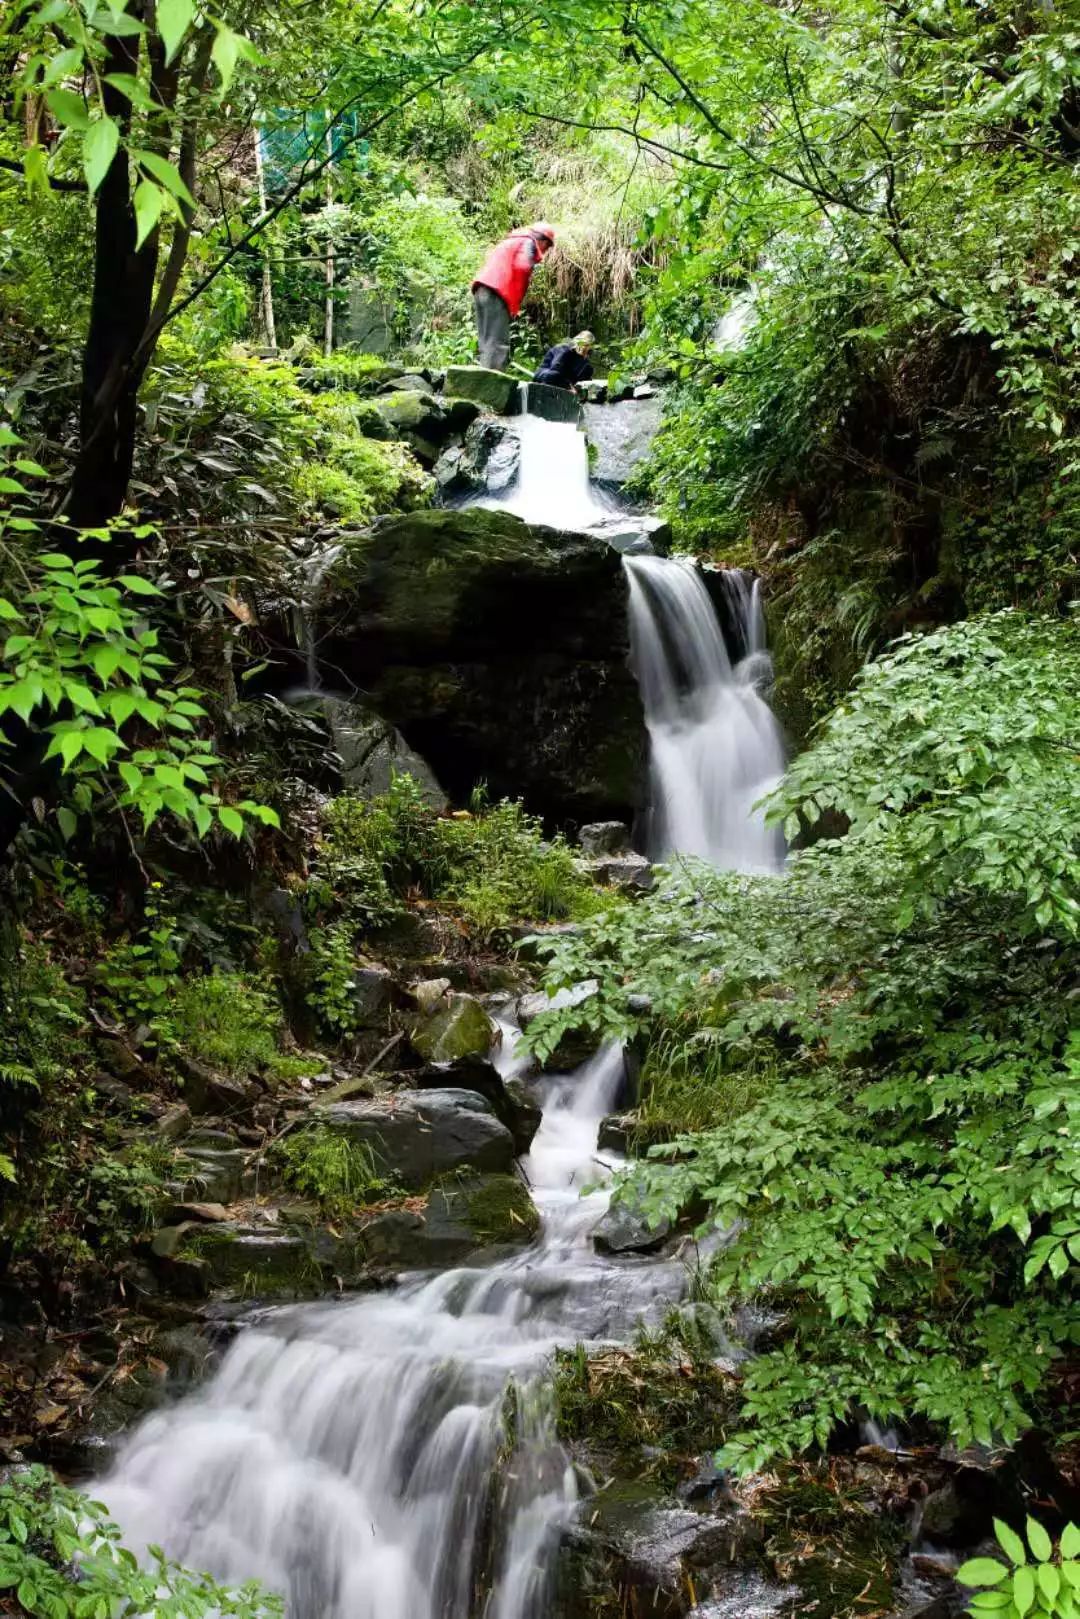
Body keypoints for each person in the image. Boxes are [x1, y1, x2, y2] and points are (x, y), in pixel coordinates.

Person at [471, 222, 556, 371]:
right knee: (498, 342)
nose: (545, 252)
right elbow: (522, 266)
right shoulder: (528, 243)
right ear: (542, 241)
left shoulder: (511, 240)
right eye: (547, 247)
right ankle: (494, 385)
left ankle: (483, 378)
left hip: (481, 289)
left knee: (486, 340)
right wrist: (514, 303)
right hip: (497, 292)